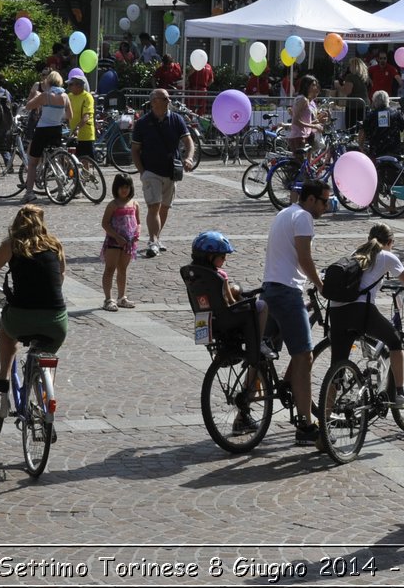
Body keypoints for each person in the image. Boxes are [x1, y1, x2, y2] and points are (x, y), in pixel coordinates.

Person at [327, 224, 404, 407]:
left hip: (336, 311)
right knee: (395, 341)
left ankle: (324, 422)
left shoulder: (357, 253)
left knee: (336, 369)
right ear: (390, 242)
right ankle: (400, 392)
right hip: (360, 311)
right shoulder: (387, 257)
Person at [260, 179, 330, 446]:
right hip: (287, 293)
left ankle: (243, 413)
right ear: (310, 199)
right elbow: (304, 258)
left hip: (271, 289)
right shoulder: (303, 217)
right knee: (304, 357)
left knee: (261, 354)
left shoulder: (285, 212)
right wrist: (321, 285)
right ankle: (305, 425)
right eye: (324, 201)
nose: (327, 206)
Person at [0, 205, 68, 391]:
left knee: (6, 331)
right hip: (56, 322)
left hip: (21, 319)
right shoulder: (55, 244)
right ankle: (46, 395)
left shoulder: (13, 244)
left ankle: (3, 376)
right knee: (46, 353)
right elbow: (61, 274)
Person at [130, 88, 192, 257]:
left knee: (164, 207)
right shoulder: (143, 123)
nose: (169, 100)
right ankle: (152, 241)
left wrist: (189, 158)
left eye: (168, 98)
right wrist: (142, 172)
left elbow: (188, 141)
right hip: (151, 171)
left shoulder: (176, 119)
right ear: (154, 102)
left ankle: (157, 237)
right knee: (154, 206)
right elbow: (135, 149)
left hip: (171, 170)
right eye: (165, 98)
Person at [190, 229, 267, 361]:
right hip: (227, 317)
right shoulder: (219, 276)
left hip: (208, 318)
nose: (225, 259)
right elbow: (229, 300)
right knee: (262, 305)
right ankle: (257, 344)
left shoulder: (194, 274)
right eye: (222, 256)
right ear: (210, 257)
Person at [23, 72, 72, 205]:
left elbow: (28, 106)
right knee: (55, 159)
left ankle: (29, 193)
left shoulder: (45, 96)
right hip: (56, 130)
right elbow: (69, 115)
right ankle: (61, 191)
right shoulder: (65, 96)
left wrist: (36, 95)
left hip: (42, 130)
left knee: (33, 162)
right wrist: (57, 115)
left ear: (49, 82)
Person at [100, 173, 140, 310]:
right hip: (113, 241)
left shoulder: (134, 204)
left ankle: (122, 297)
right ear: (116, 188)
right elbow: (105, 223)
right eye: (121, 187)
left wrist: (137, 232)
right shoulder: (113, 205)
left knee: (123, 269)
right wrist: (117, 237)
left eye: (127, 187)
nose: (124, 190)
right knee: (110, 268)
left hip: (128, 242)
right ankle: (108, 299)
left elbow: (138, 222)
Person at [289, 74, 325, 158]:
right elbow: (296, 121)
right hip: (298, 136)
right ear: (306, 86)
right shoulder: (303, 99)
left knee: (304, 166)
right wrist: (314, 126)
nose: (315, 87)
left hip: (302, 136)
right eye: (313, 85)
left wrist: (316, 122)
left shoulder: (304, 99)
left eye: (316, 85)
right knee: (301, 167)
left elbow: (302, 120)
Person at [67, 73, 96, 160]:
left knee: (85, 160)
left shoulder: (87, 97)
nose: (68, 87)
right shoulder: (69, 96)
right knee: (72, 160)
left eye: (71, 84)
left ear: (79, 85)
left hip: (85, 135)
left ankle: (86, 174)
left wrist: (77, 129)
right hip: (73, 134)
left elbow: (86, 116)